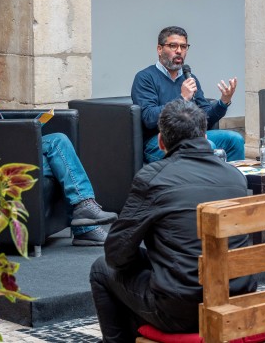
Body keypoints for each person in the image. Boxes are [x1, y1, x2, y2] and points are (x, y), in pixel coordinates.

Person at [89, 99, 256, 341]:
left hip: (182, 310)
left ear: (161, 141)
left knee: (101, 269)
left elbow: (116, 252)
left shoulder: (153, 178)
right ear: (205, 135)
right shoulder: (235, 176)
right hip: (237, 297)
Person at [0, 44, 117, 246]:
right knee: (58, 143)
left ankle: (84, 218)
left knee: (59, 158)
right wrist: (20, 135)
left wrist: (21, 133)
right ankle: (84, 218)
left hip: (10, 152)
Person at [132, 26, 245, 163]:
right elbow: (149, 118)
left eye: (183, 46)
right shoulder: (145, 77)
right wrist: (182, 98)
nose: (179, 51)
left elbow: (205, 117)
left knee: (234, 139)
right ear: (159, 49)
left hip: (192, 136)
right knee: (208, 146)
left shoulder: (189, 78)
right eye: (173, 46)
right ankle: (207, 184)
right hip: (160, 141)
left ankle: (234, 183)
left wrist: (223, 102)